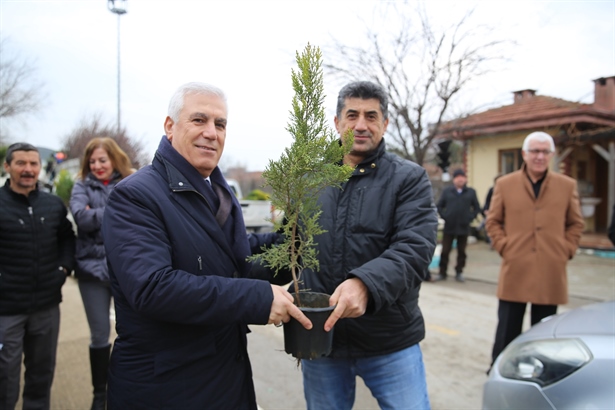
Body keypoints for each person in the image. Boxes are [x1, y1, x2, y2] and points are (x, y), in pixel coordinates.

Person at [100, 82, 312, 409]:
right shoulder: (136, 196)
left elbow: (235, 259)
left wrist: (296, 245)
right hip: (167, 386)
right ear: (170, 126)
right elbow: (153, 288)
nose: (212, 133)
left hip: (225, 374)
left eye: (220, 124)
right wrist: (258, 298)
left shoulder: (217, 192)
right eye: (199, 120)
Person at [298, 81, 438, 409]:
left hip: (389, 341)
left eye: (371, 116)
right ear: (337, 122)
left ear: (385, 124)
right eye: (352, 115)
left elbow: (415, 247)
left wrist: (364, 284)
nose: (361, 125)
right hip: (322, 340)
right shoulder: (312, 180)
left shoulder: (409, 178)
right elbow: (289, 247)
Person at [486, 131, 584, 367]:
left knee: (545, 329)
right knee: (508, 327)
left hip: (551, 268)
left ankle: (541, 371)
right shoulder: (505, 184)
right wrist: (505, 246)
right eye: (534, 151)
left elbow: (576, 223)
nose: (539, 156)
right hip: (515, 267)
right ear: (524, 154)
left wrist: (566, 249)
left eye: (544, 152)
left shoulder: (566, 185)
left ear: (552, 155)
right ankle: (499, 368)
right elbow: (493, 221)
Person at [0, 142, 76, 410]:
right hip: (6, 309)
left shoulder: (53, 204)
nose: (28, 169)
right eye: (21, 163)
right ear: (7, 166)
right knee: (5, 376)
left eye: (34, 164)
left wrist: (63, 269)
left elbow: (68, 239)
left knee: (41, 374)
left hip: (46, 305)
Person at [69, 137, 135, 410]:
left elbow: (138, 218)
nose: (97, 165)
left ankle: (126, 390)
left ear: (114, 159)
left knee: (130, 333)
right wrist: (115, 213)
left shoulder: (131, 181)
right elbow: (80, 219)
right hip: (91, 273)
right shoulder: (81, 185)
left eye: (102, 160)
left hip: (125, 271)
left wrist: (96, 213)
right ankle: (100, 395)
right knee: (99, 335)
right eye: (92, 161)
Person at [434, 168, 481, 282]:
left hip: (463, 227)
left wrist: (470, 218)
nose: (460, 179)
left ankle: (459, 272)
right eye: (458, 177)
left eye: (462, 177)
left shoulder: (470, 192)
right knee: (445, 251)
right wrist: (446, 216)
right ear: (454, 179)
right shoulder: (447, 191)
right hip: (449, 226)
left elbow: (477, 207)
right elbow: (439, 206)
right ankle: (442, 272)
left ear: (465, 179)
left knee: (462, 251)